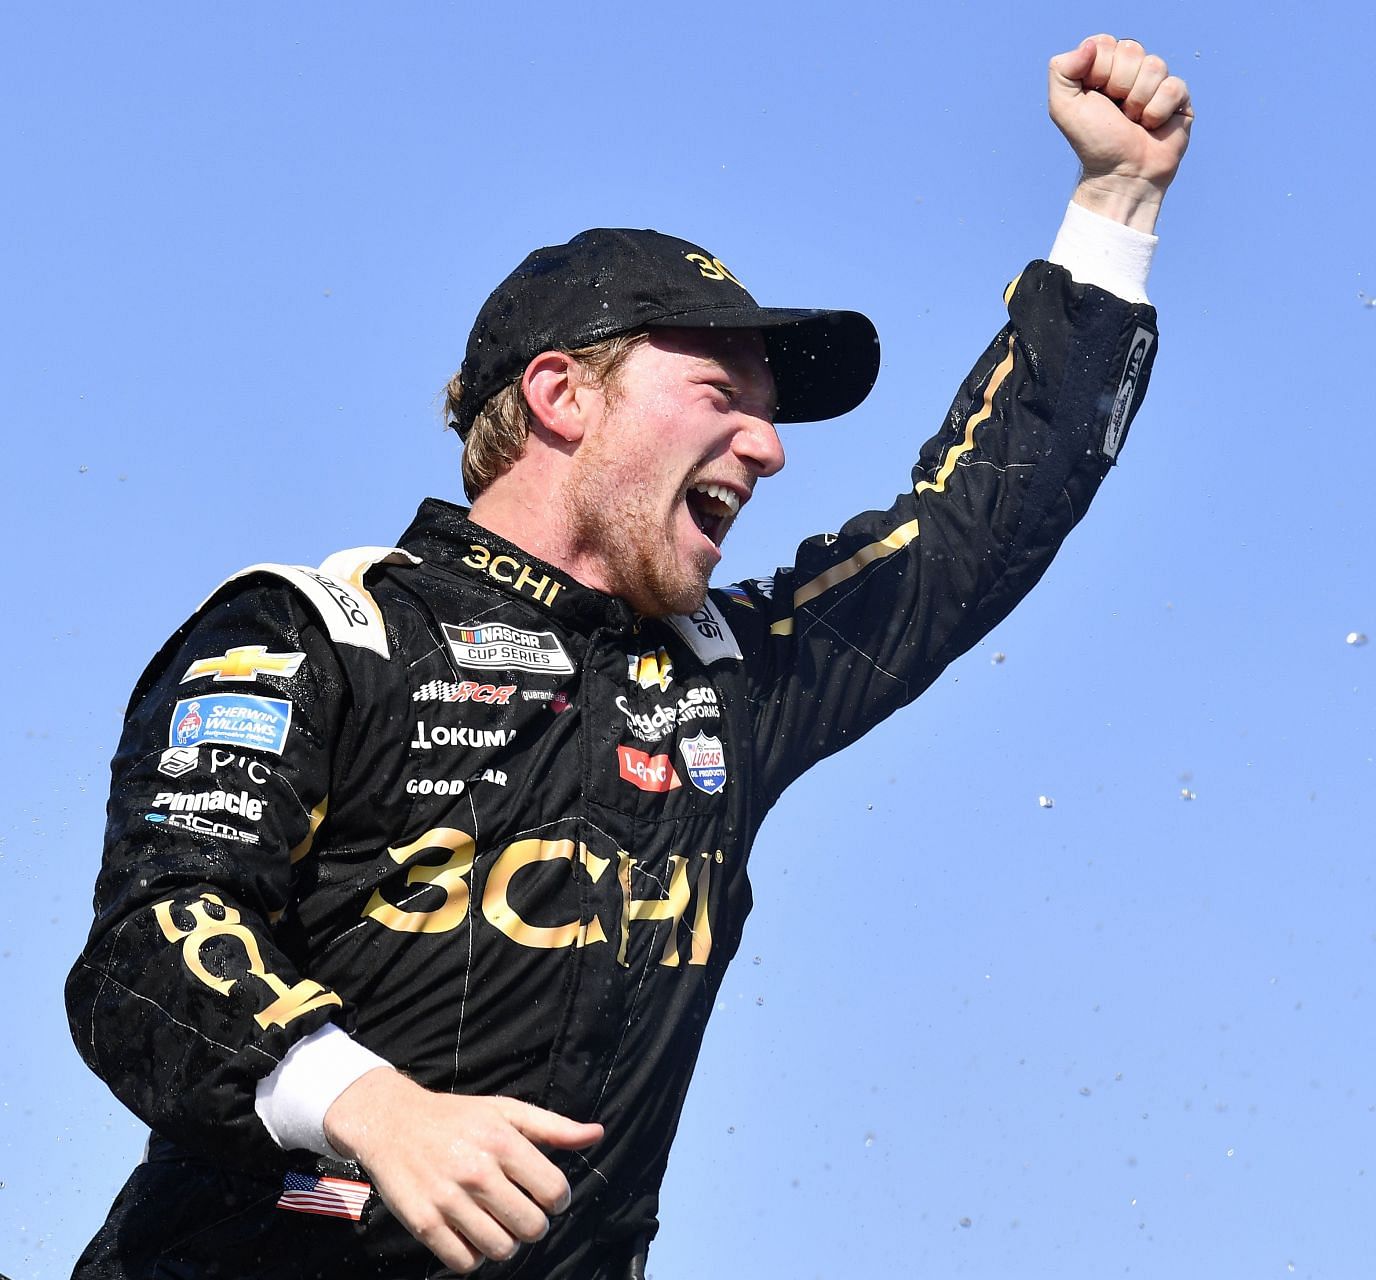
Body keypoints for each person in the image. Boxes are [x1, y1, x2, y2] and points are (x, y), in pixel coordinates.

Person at [66, 33, 1192, 1279]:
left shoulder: (729, 676)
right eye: (724, 393)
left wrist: (1116, 206)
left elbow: (973, 531)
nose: (767, 449)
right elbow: (149, 944)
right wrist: (368, 1103)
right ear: (562, 395)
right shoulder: (324, 631)